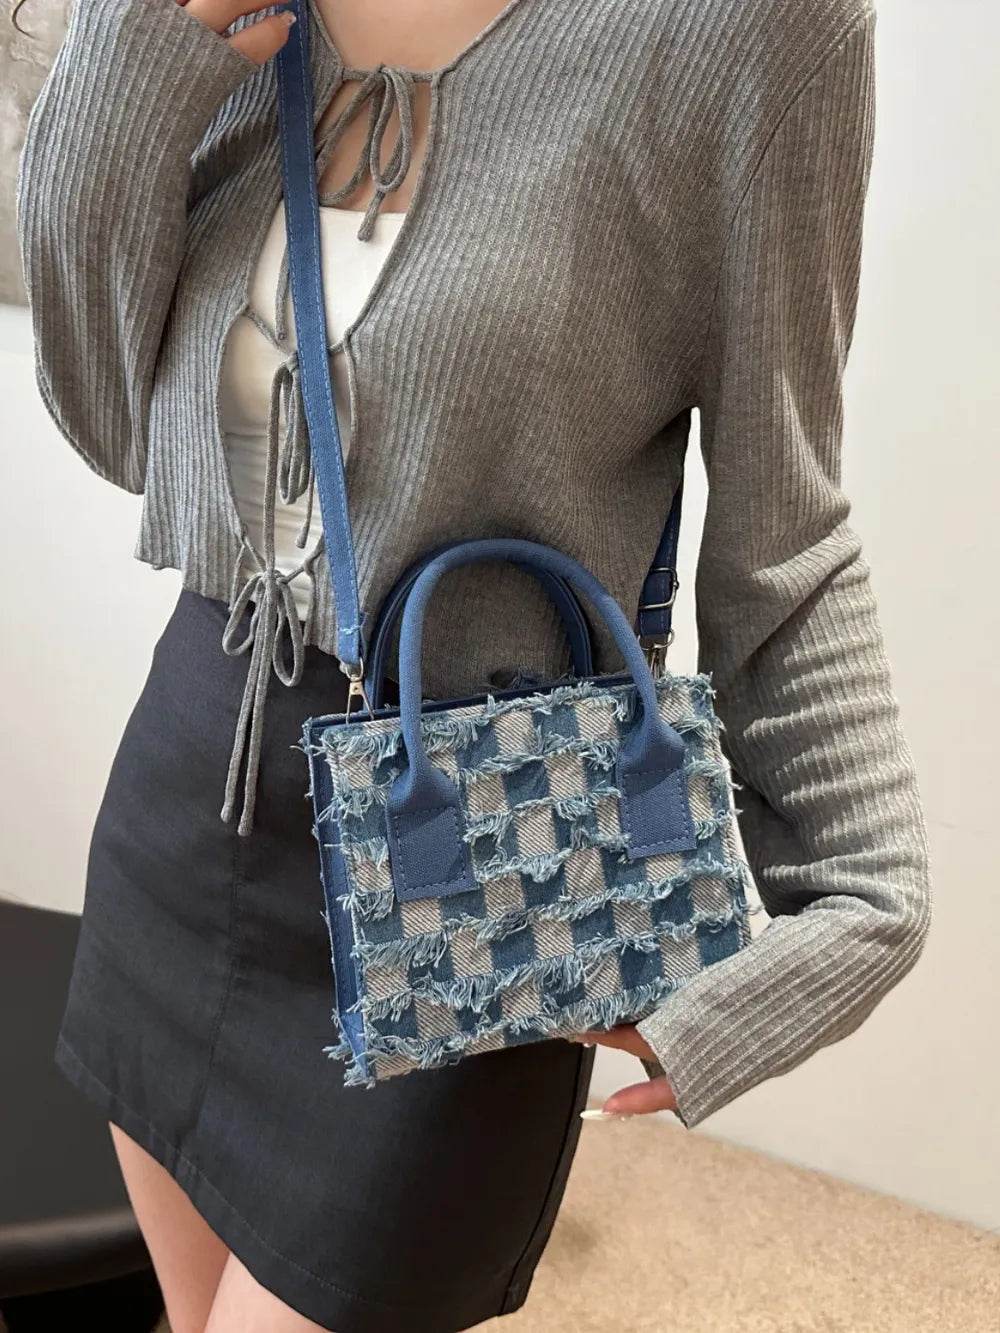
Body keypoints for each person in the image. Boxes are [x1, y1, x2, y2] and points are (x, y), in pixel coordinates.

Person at [14, 0, 932, 1329]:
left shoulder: (756, 31)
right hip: (190, 791)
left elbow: (781, 526)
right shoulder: (238, 14)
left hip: (465, 869)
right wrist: (139, 45)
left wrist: (868, 890)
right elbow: (110, 416)